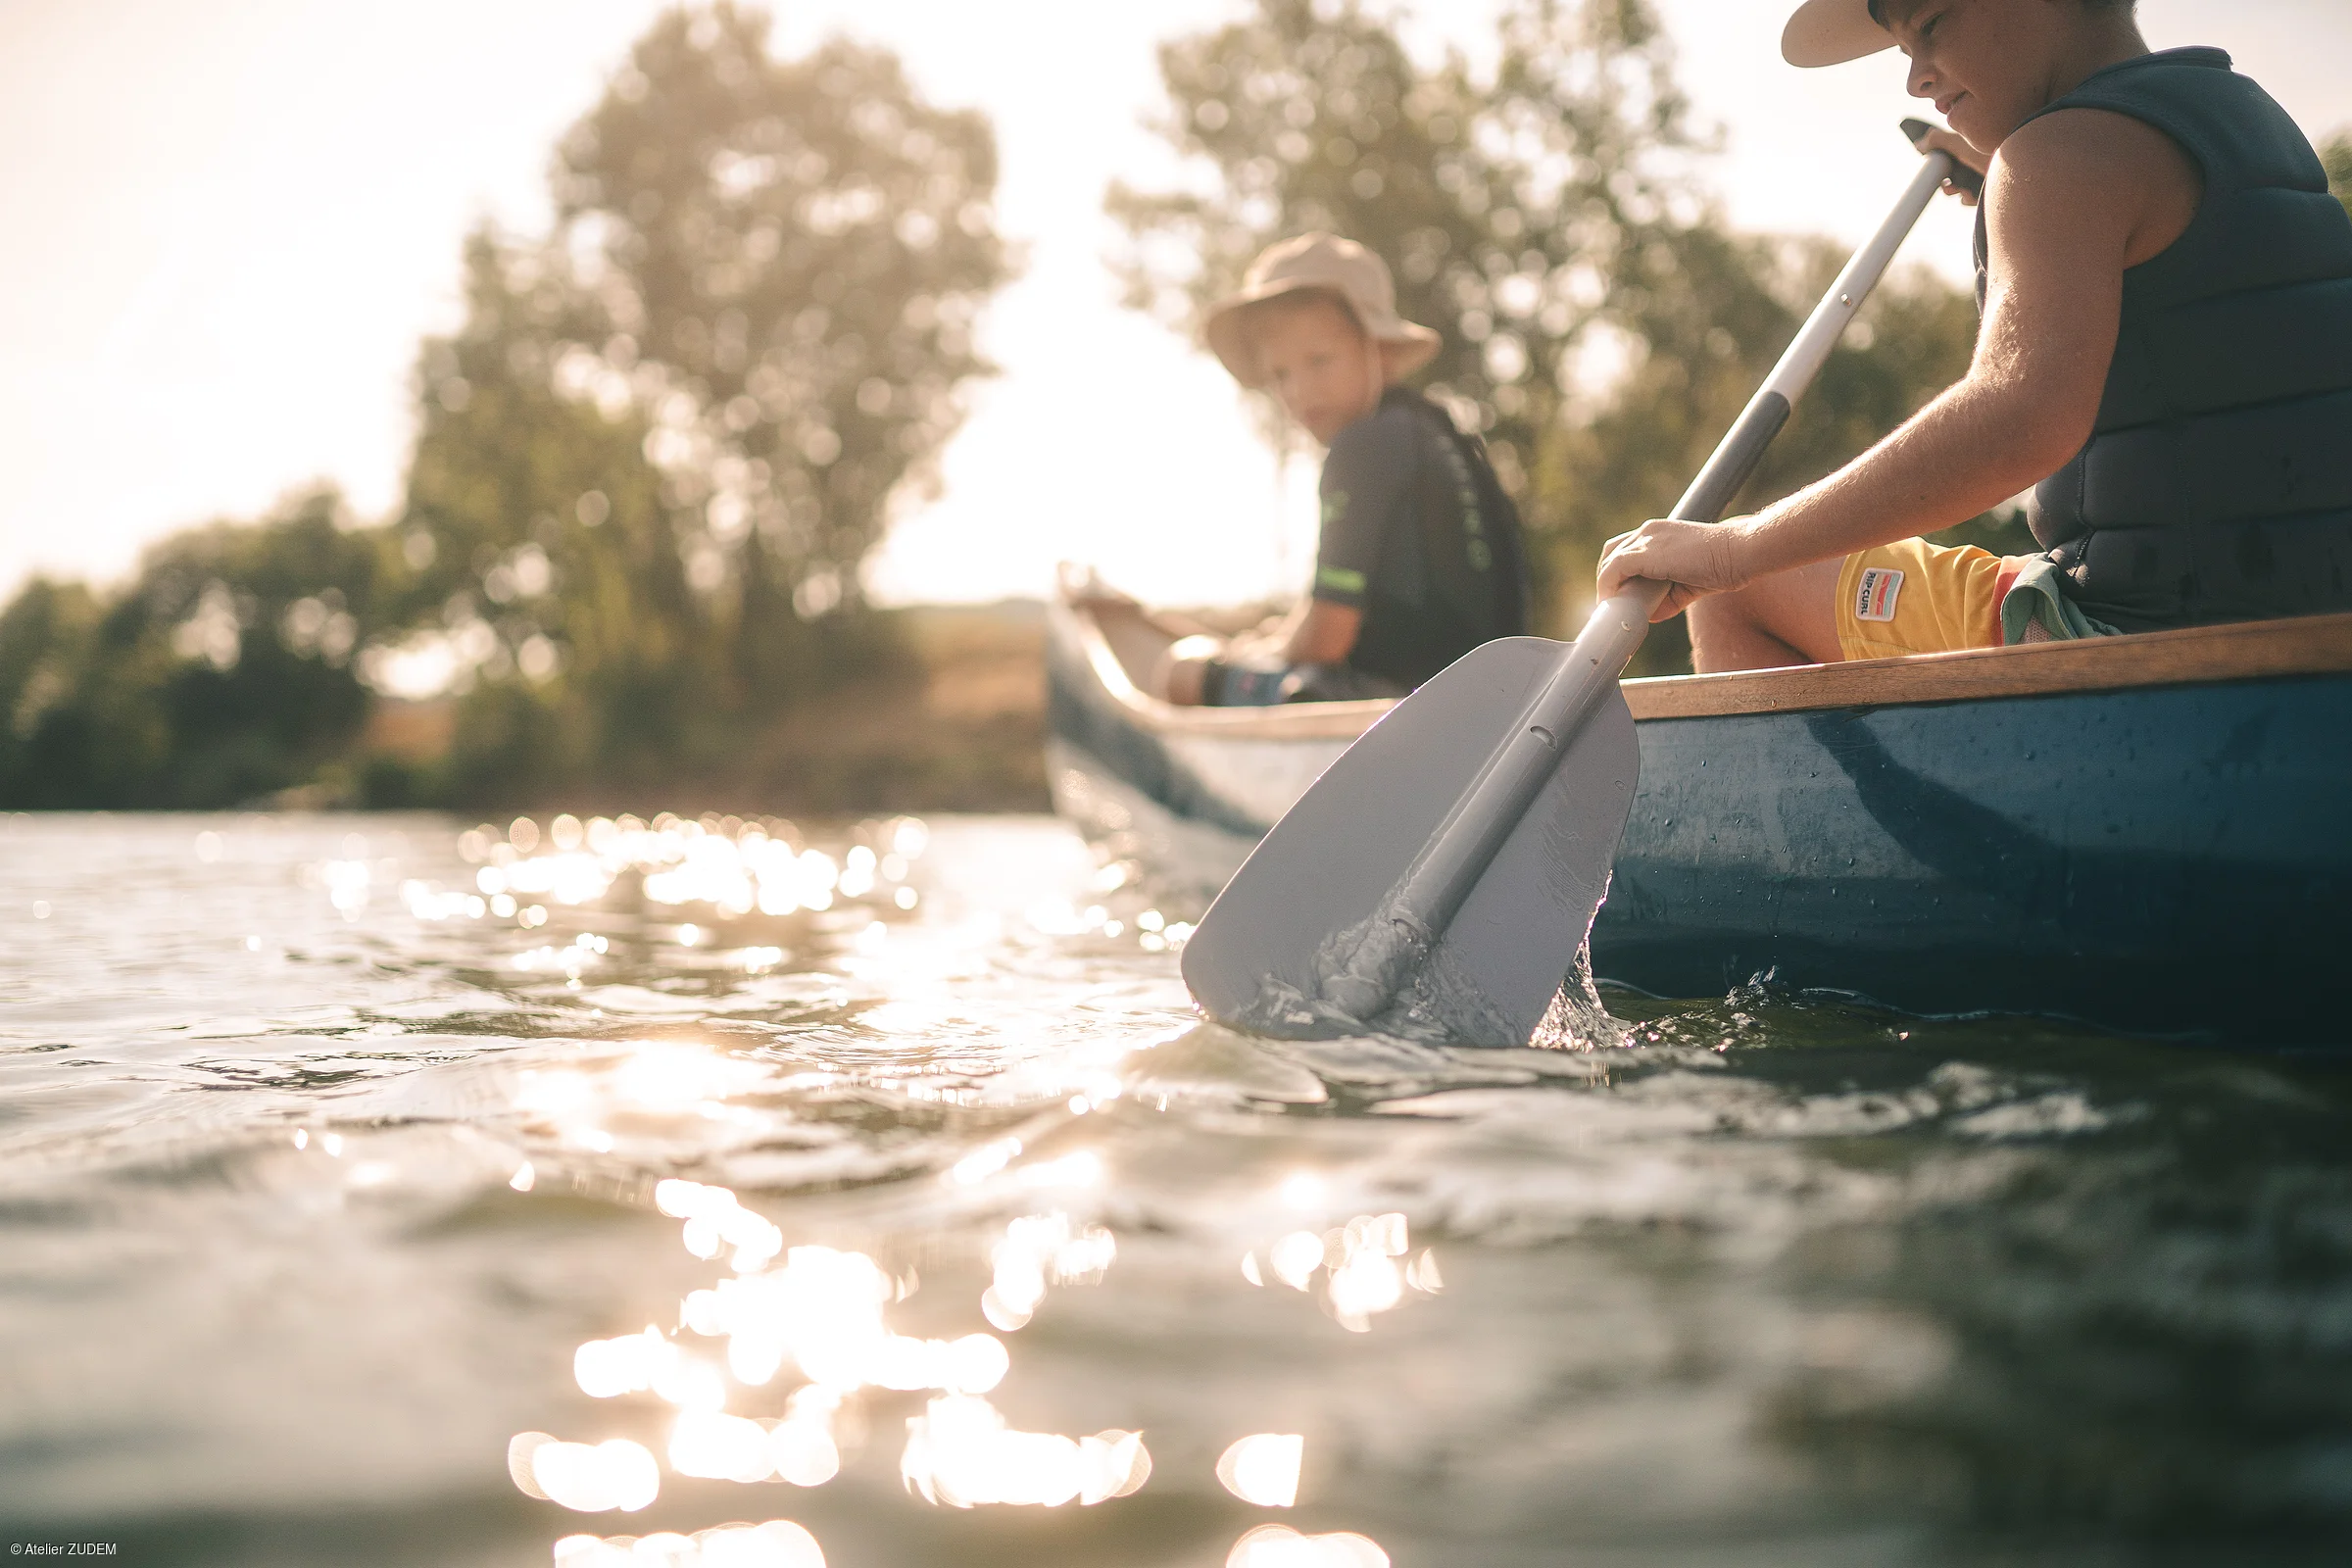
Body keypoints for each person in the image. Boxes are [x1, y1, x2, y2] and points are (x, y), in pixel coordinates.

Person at [1596, 0, 2352, 673]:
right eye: (1904, 49)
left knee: (1738, 592)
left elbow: (2020, 415)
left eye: (1930, 25)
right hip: (2312, 604)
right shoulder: (2243, 116)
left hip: (2128, 639)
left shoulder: (2054, 160)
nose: (1916, 79)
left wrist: (1733, 550)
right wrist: (2002, 174)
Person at [1152, 233, 1531, 706]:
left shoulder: (1361, 446)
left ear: (1381, 350)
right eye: (1281, 373)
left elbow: (1326, 637)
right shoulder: (1441, 434)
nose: (1300, 391)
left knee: (1183, 670)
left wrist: (1260, 650)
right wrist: (1279, 637)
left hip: (1401, 713)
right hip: (1495, 702)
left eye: (1319, 360)